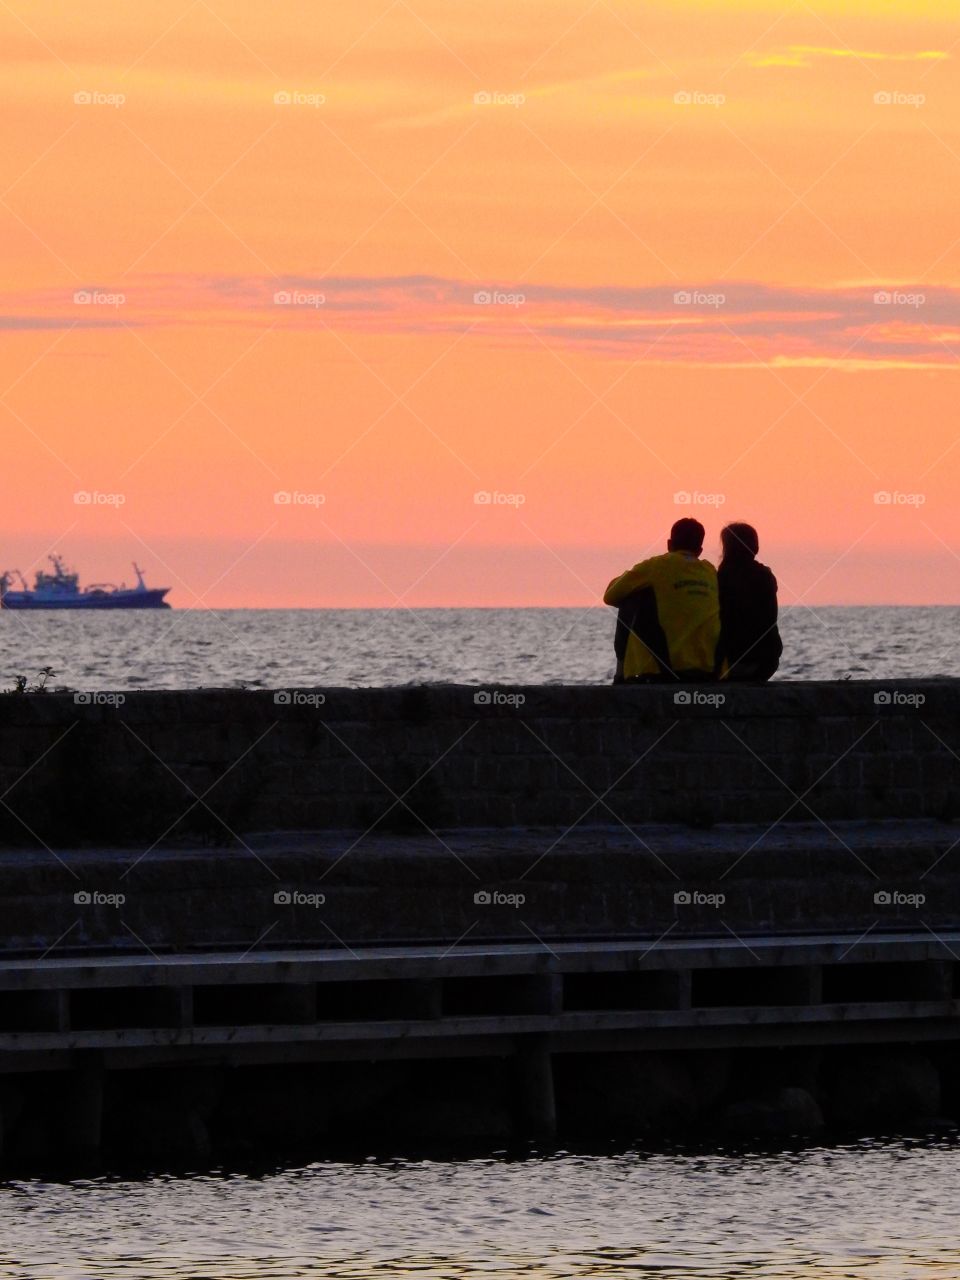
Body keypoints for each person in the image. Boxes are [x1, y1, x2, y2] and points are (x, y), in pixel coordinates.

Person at [603, 518, 720, 683]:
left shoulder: (657, 566)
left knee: (632, 598)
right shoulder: (710, 571)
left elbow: (610, 596)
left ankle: (620, 674)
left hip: (662, 671)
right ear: (700, 550)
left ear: (669, 544)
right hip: (706, 669)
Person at [716, 522, 782, 682]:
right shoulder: (765, 576)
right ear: (755, 547)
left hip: (729, 661)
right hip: (766, 662)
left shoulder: (719, 578)